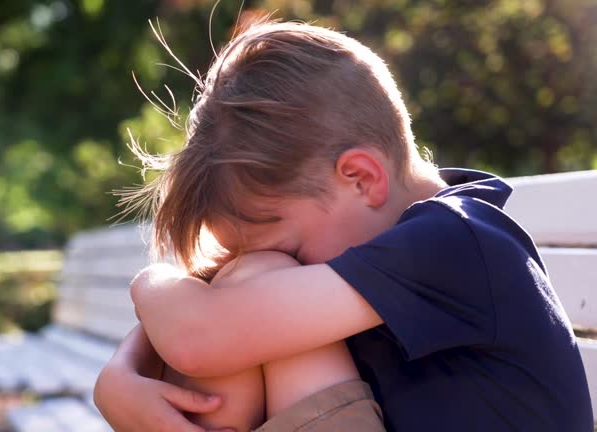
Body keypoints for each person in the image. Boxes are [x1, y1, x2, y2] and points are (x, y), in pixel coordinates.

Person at [94, 20, 594, 432]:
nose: (292, 265)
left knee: (255, 281)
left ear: (360, 177)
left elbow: (197, 338)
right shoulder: (379, 245)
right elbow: (197, 327)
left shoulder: (458, 241)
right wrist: (122, 371)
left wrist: (148, 284)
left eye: (293, 247)